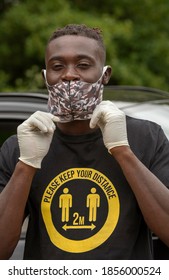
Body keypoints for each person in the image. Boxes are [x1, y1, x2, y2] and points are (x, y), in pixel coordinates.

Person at [0, 24, 169, 260]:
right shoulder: (20, 146)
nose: (69, 75)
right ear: (45, 77)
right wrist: (26, 165)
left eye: (83, 65)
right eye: (57, 66)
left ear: (105, 74)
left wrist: (122, 151)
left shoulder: (147, 137)